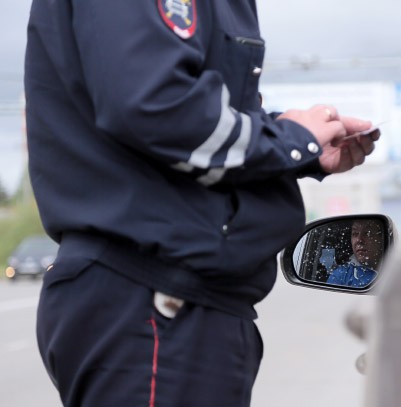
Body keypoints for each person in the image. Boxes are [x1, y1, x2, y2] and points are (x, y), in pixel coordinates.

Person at [24, 1, 379, 406]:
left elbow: (174, 112)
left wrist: (295, 142)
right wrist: (290, 142)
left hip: (170, 304)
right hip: (155, 302)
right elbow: (154, 106)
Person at [327, 219, 384, 288]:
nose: (359, 240)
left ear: (381, 239)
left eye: (367, 233)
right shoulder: (341, 276)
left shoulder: (395, 271)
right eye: (355, 234)